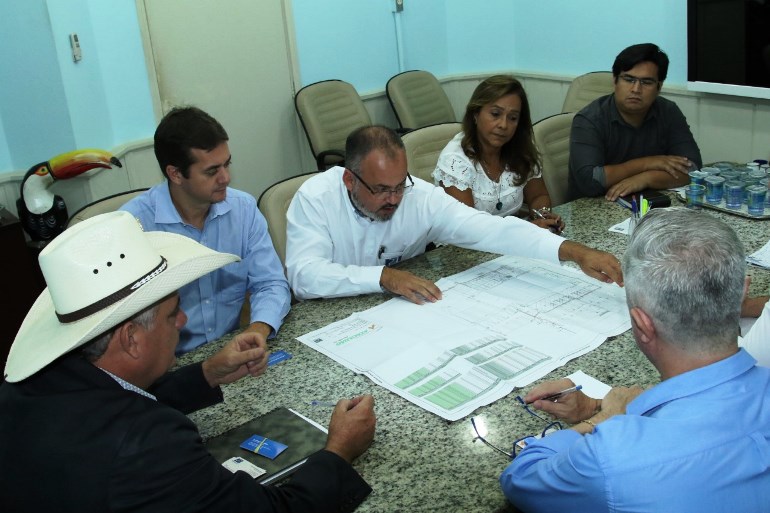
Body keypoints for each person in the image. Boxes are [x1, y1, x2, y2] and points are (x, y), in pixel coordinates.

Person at [0, 211, 375, 513]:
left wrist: (208, 373)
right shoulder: (153, 444)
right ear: (131, 338)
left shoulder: (31, 387)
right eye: (173, 313)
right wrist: (339, 451)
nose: (184, 321)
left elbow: (111, 404)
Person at [500, 207, 770, 512]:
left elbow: (521, 478)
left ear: (641, 324)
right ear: (742, 291)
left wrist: (603, 419)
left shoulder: (613, 460)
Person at [285, 125, 622, 304]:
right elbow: (304, 277)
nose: (394, 198)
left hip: (407, 310)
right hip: (335, 315)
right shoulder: (315, 198)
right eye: (380, 189)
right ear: (349, 178)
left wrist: (574, 252)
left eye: (400, 185)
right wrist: (383, 277)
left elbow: (492, 230)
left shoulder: (419, 197)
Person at [122, 106, 290, 354]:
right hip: (166, 365)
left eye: (227, 164)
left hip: (228, 349)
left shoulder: (242, 209)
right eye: (212, 171)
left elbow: (270, 283)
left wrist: (259, 327)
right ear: (176, 174)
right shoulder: (133, 227)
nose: (226, 178)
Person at [568, 43, 703, 201]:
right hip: (594, 207)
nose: (636, 89)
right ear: (615, 81)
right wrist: (647, 163)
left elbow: (693, 169)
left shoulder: (668, 111)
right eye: (629, 79)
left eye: (646, 82)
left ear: (659, 87)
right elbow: (590, 181)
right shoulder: (589, 119)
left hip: (646, 203)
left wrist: (646, 179)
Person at [433, 75, 563, 232]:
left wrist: (542, 215)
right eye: (495, 114)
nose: (503, 125)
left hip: (511, 241)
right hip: (464, 247)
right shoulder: (455, 161)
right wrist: (527, 228)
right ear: (475, 114)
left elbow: (538, 196)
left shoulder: (520, 147)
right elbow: (469, 229)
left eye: (513, 118)